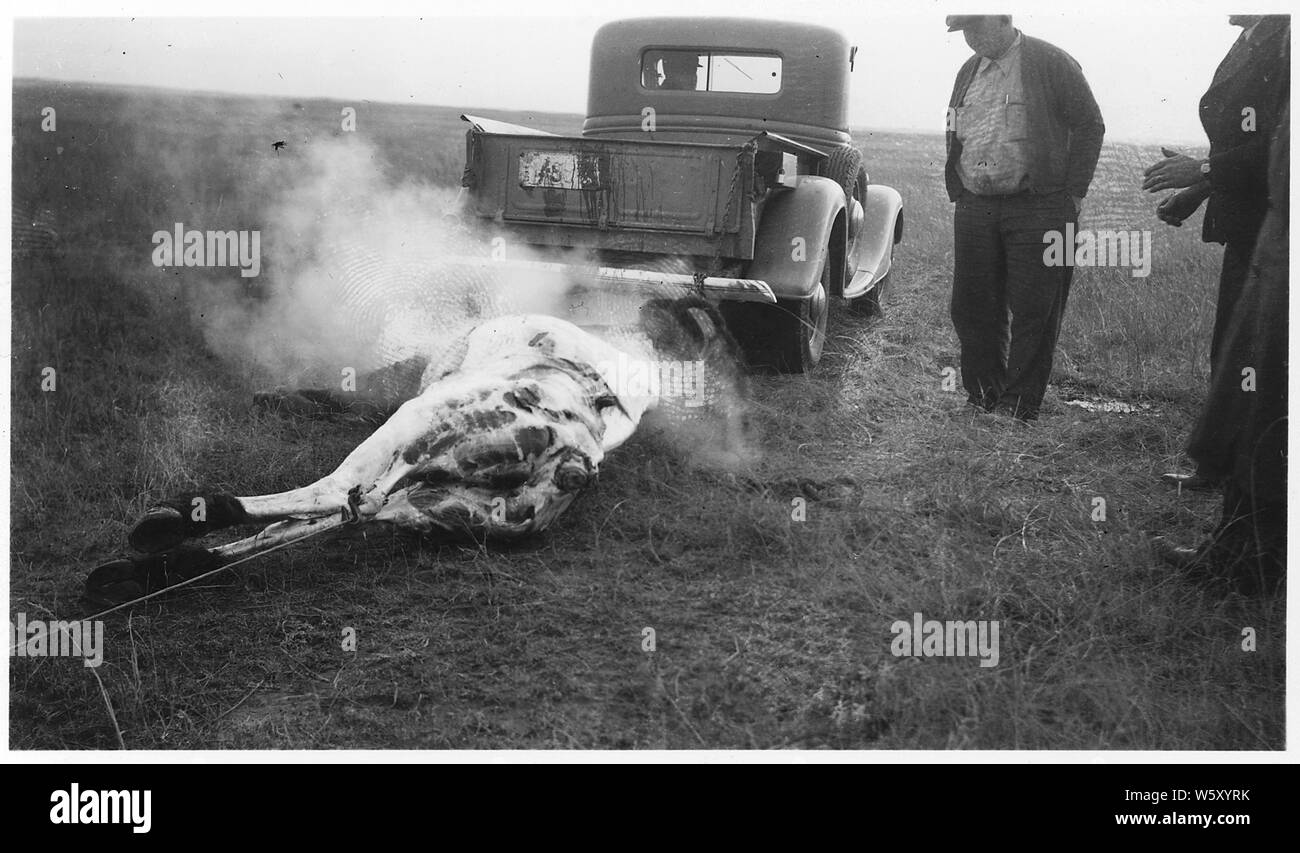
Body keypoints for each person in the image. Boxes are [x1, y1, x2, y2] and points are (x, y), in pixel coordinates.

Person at [1142, 15, 1289, 489]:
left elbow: (1279, 148)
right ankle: (1222, 468)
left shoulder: (1285, 40)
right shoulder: (1252, 39)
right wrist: (1199, 190)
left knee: (1254, 359)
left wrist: (1203, 169)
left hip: (1275, 226)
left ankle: (1242, 480)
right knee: (1233, 349)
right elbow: (1251, 143)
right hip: (1252, 223)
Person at [944, 15, 1104, 421]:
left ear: (1004, 19)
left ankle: (1018, 407)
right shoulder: (969, 69)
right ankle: (982, 396)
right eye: (964, 32)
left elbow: (1090, 125)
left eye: (977, 28)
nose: (971, 39)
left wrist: (1074, 194)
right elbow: (954, 127)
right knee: (972, 305)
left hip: (1041, 205)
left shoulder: (1052, 61)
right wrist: (960, 188)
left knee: (1036, 309)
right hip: (976, 205)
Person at [1155, 106, 1287, 596]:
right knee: (1255, 392)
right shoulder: (1265, 39)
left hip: (1280, 244)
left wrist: (1206, 172)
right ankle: (1243, 548)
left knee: (1267, 399)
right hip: (1269, 237)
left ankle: (1250, 559)